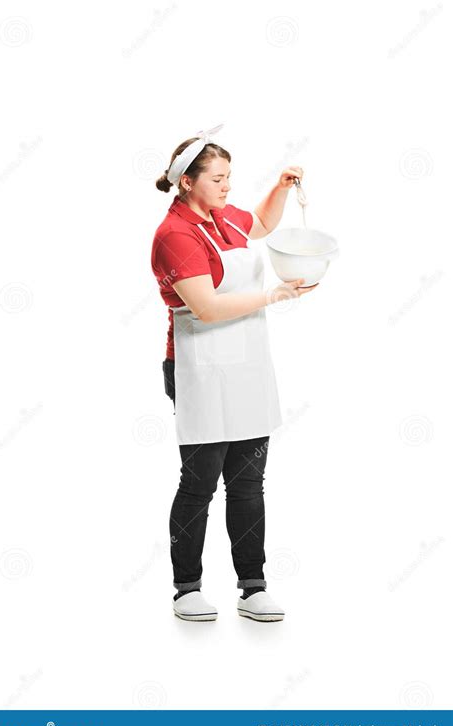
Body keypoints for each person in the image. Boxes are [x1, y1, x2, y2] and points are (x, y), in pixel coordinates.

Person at [151, 124, 317, 622]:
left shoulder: (223, 219)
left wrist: (281, 188)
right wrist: (275, 295)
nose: (227, 187)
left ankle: (252, 585)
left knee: (249, 482)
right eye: (218, 178)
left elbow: (260, 225)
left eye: (230, 177)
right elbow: (204, 308)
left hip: (246, 364)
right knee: (199, 482)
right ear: (187, 183)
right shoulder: (174, 234)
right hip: (199, 367)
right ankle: (187, 589)